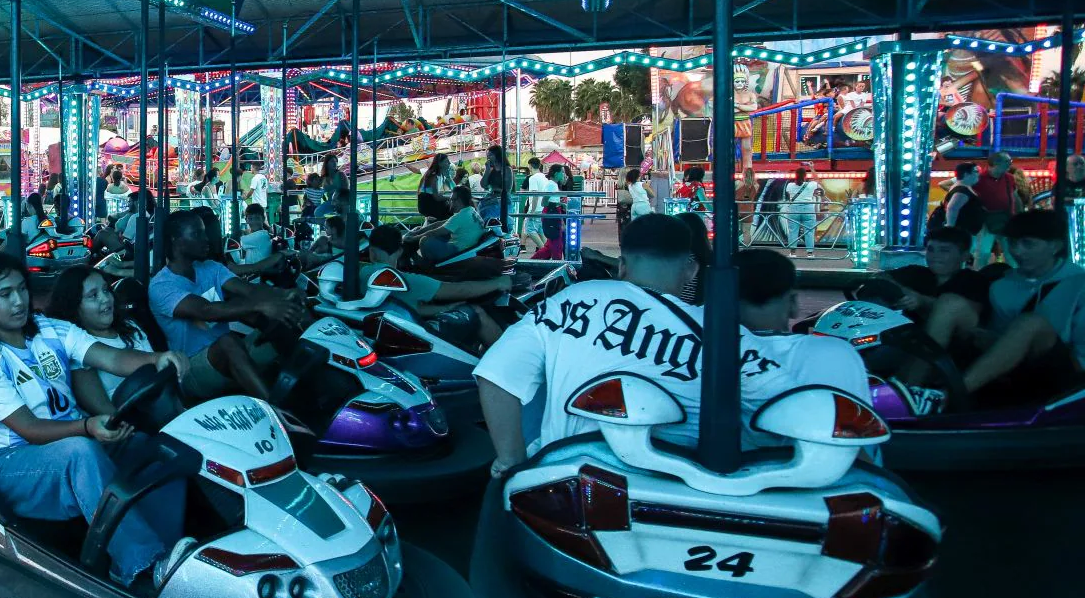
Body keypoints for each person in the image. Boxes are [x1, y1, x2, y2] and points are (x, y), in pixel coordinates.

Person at [474, 214, 870, 473]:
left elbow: (495, 376)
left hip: (571, 478)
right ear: (692, 268)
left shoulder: (573, 299)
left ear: (624, 266)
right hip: (683, 485)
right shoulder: (724, 338)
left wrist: (510, 464)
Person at [0, 253, 192, 588]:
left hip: (72, 444)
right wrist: (87, 427)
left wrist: (157, 358)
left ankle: (167, 557)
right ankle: (140, 566)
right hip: (13, 463)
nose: (18, 302)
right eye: (4, 294)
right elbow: (28, 429)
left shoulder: (49, 329)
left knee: (156, 451)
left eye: (21, 290)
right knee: (81, 453)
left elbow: (110, 356)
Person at [922, 209, 1085, 396]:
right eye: (1013, 243)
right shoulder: (1002, 286)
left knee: (1030, 323)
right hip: (1011, 366)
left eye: (1028, 244)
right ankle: (907, 389)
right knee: (949, 303)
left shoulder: (1079, 284)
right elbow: (1002, 336)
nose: (1017, 251)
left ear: (1055, 246)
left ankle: (948, 395)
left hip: (1063, 375)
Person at [150, 209, 303, 401]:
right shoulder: (161, 285)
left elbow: (249, 290)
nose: (206, 239)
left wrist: (284, 294)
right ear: (175, 240)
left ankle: (313, 394)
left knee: (284, 322)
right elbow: (206, 310)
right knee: (228, 341)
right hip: (191, 370)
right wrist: (260, 306)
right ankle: (278, 413)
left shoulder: (211, 268)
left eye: (204, 232)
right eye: (197, 234)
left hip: (231, 355)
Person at [365, 225, 503, 345]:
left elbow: (411, 308)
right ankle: (503, 361)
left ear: (371, 251)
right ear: (400, 251)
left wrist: (445, 308)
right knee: (476, 312)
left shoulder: (361, 272)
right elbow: (459, 290)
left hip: (387, 328)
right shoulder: (404, 280)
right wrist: (498, 283)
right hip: (413, 336)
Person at [45, 264, 155, 411]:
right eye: (93, 295)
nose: (105, 299)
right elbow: (107, 413)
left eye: (106, 290)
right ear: (73, 306)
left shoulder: (130, 327)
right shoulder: (79, 352)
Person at [880, 225, 991, 323]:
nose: (935, 255)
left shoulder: (974, 281)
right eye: (931, 249)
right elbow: (881, 277)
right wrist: (902, 291)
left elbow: (970, 313)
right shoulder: (916, 272)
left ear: (964, 256)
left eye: (944, 250)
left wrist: (921, 301)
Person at [971, 151, 1023, 264]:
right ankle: (980, 276)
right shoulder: (978, 179)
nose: (1010, 164)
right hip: (987, 221)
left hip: (1007, 219)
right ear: (996, 164)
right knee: (983, 252)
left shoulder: (1009, 178)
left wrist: (1020, 215)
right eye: (1008, 161)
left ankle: (1016, 276)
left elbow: (1015, 196)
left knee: (1011, 251)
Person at [783, 165, 822, 259]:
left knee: (793, 231)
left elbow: (789, 196)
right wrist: (812, 168)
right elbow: (818, 180)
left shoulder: (790, 185)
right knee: (809, 231)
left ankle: (793, 253)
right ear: (805, 176)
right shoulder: (811, 185)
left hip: (794, 209)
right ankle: (810, 253)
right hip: (808, 209)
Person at [417, 153, 453, 220]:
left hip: (428, 204)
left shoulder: (438, 175)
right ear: (440, 163)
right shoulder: (433, 177)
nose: (449, 163)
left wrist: (448, 177)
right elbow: (437, 197)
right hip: (429, 206)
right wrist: (450, 198)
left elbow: (453, 189)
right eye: (447, 161)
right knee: (451, 212)